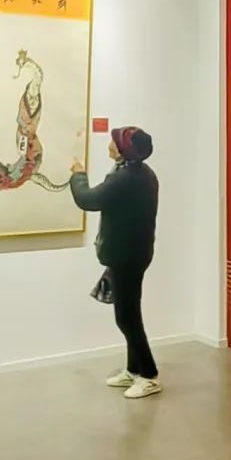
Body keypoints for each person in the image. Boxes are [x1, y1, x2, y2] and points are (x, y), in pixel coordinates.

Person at [70, 126, 161, 399]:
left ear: (124, 150)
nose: (109, 144)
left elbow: (88, 199)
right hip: (133, 253)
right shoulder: (142, 173)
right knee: (130, 314)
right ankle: (133, 370)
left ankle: (149, 375)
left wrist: (78, 175)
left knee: (127, 319)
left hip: (127, 257)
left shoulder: (125, 178)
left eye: (114, 142)